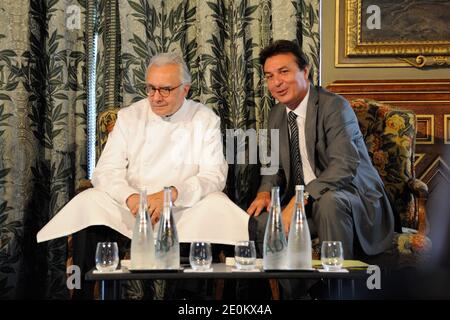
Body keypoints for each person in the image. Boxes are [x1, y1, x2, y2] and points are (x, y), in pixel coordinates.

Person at [37, 53, 249, 298]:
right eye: (150, 88)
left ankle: (188, 299)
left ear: (185, 90)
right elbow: (105, 170)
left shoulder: (204, 119)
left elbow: (214, 174)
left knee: (216, 204)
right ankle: (84, 292)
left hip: (182, 208)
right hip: (132, 208)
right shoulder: (129, 117)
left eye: (165, 90)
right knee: (89, 201)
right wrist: (130, 198)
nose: (156, 97)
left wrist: (171, 196)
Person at [247, 40, 398, 262]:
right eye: (269, 76)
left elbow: (343, 166)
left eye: (284, 72)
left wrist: (300, 199)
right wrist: (264, 192)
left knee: (329, 203)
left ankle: (337, 289)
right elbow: (273, 166)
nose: (276, 82)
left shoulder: (334, 106)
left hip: (351, 197)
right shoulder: (276, 114)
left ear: (305, 71)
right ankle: (295, 293)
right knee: (260, 220)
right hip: (310, 204)